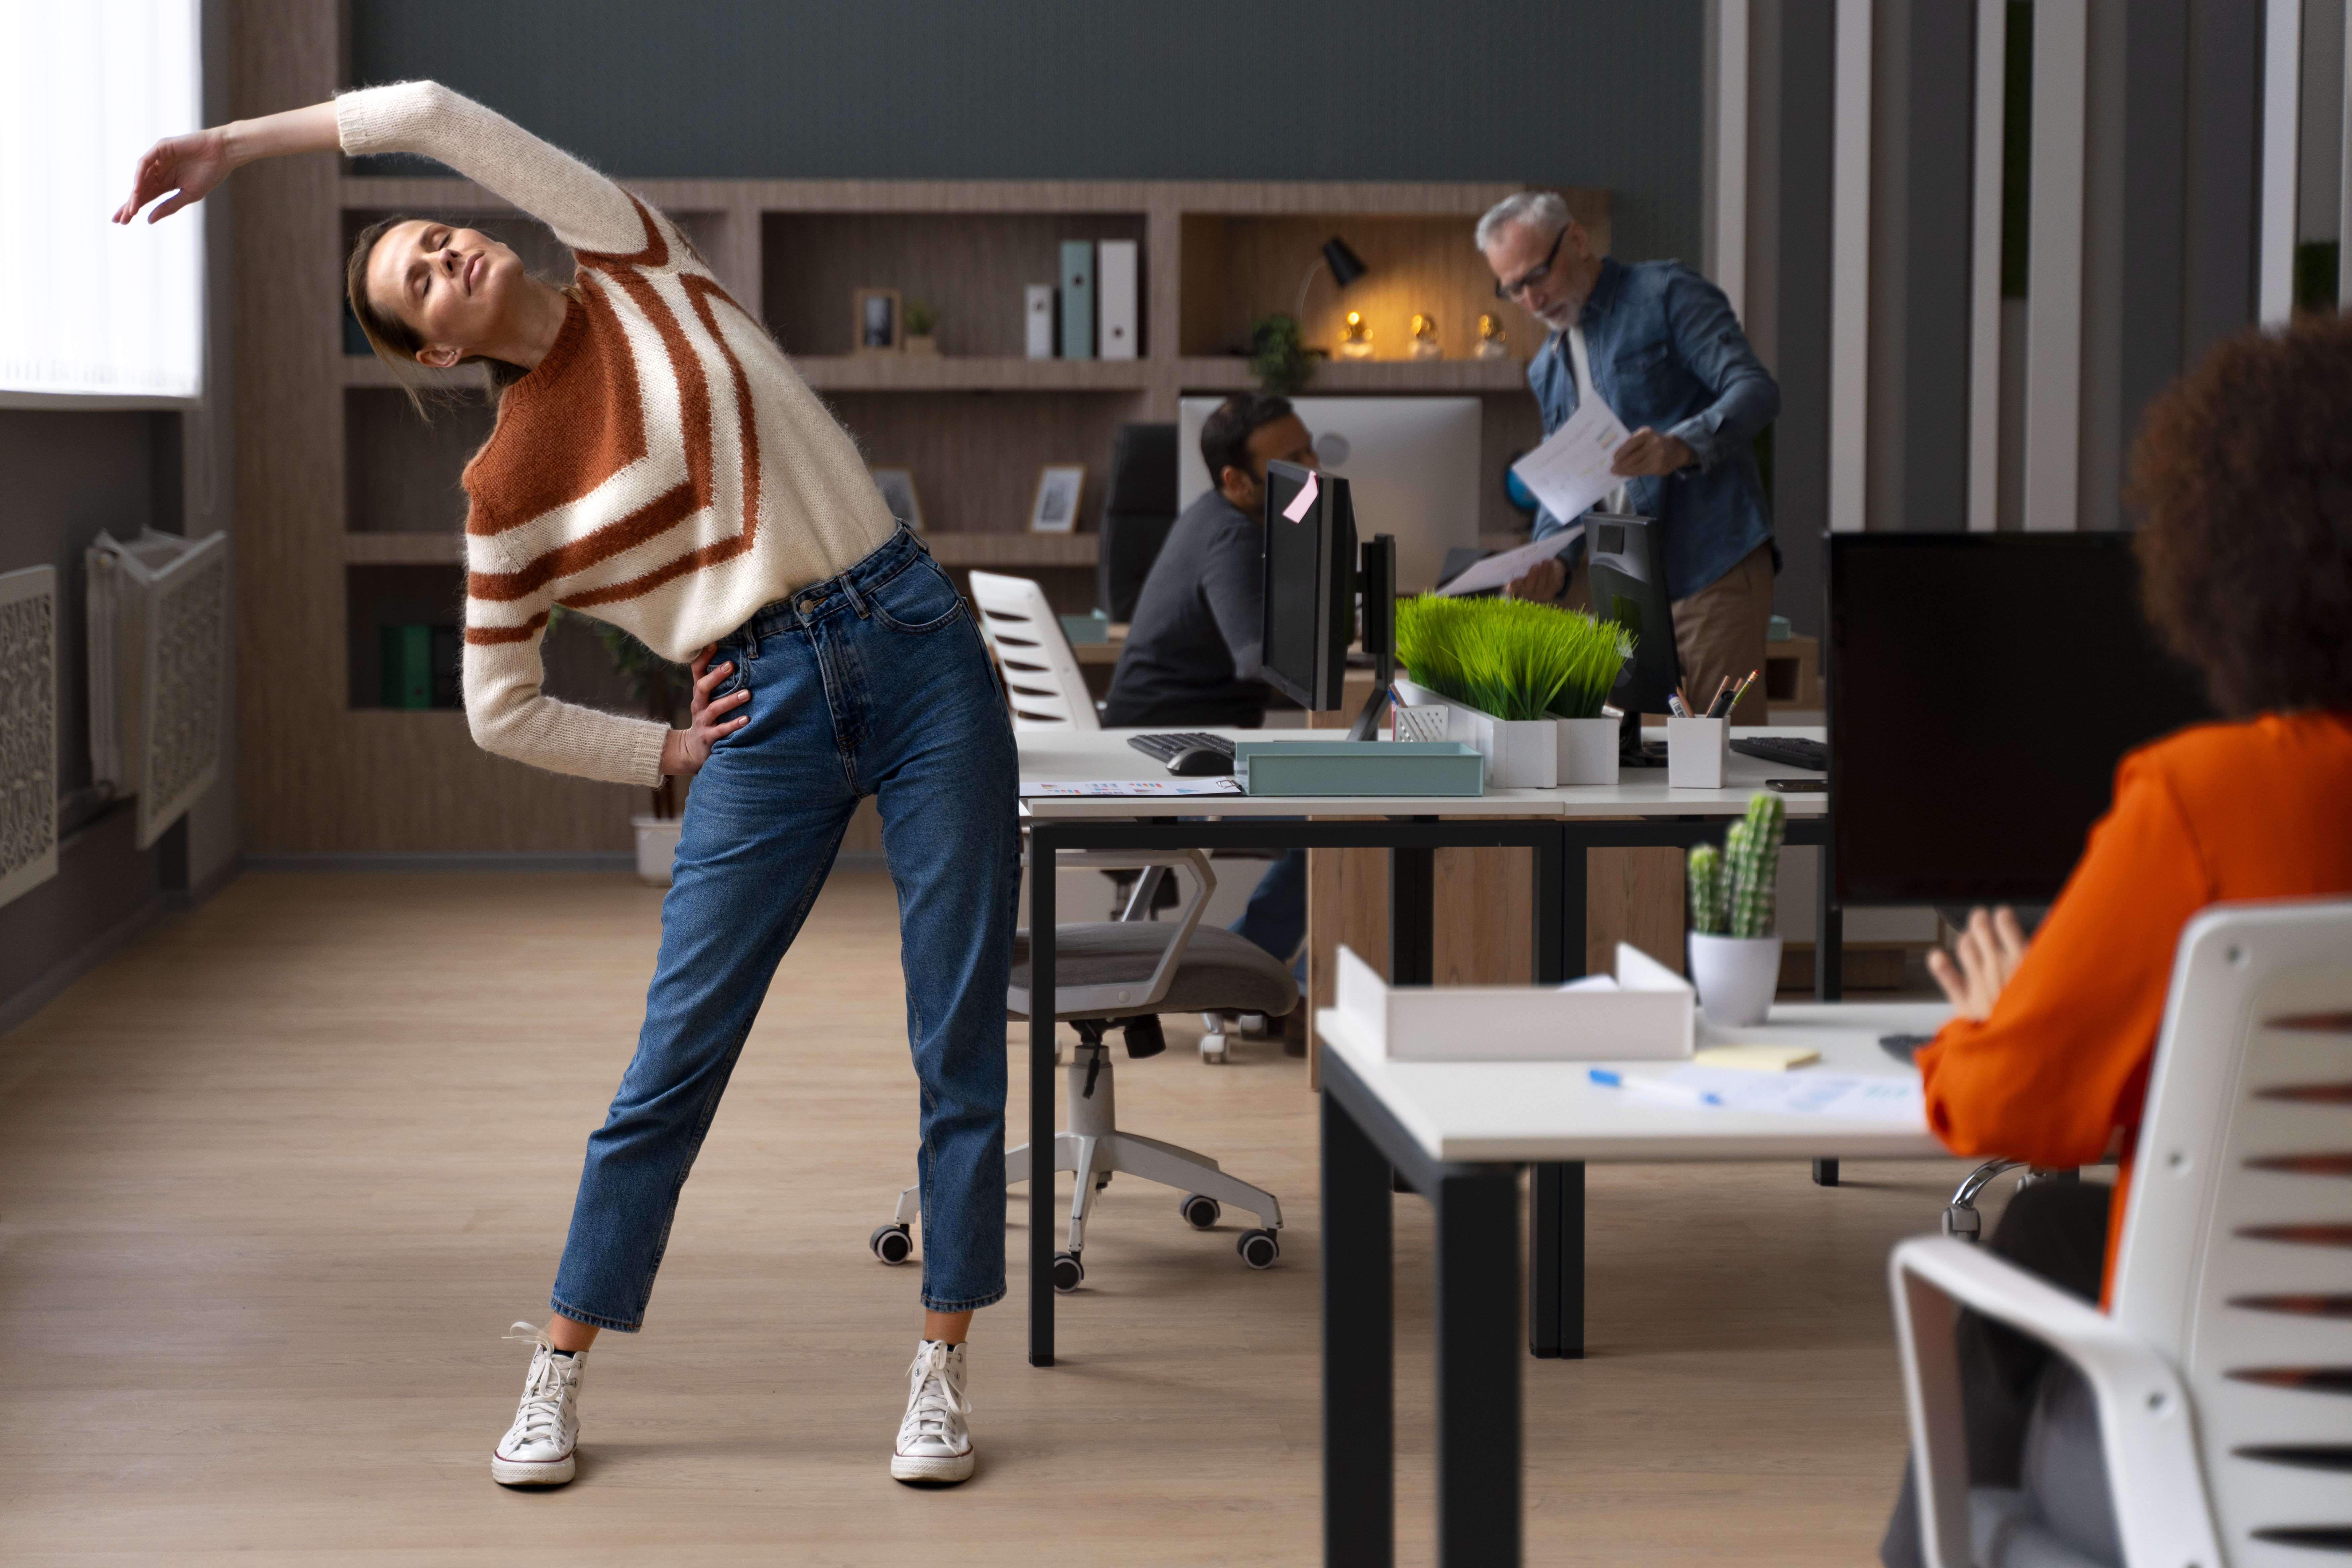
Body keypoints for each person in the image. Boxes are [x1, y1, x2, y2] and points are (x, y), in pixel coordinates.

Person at [118, 82, 1019, 1490]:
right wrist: (660, 751)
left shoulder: (632, 255)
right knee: (672, 1063)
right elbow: (499, 708)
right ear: (431, 342)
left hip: (918, 644)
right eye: (418, 274)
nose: (444, 252)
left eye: (436, 232)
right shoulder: (507, 483)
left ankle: (942, 1370)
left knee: (955, 1032)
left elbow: (426, 108)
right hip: (763, 708)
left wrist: (235, 147)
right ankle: (556, 1369)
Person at [1879, 312, 2352, 1567]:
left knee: (2000, 1316)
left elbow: (2013, 1112)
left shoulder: (2214, 799)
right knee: (2045, 1229)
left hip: (2264, 1454)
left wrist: (1993, 1019)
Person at [1476, 191, 1781, 722]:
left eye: (1536, 276)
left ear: (1577, 239)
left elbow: (1754, 390)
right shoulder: (1546, 369)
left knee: (1725, 760)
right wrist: (1553, 561)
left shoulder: (1666, 293)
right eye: (1513, 289)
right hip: (1625, 586)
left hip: (1712, 565)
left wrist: (1680, 445)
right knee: (1635, 768)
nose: (1530, 300)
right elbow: (1567, 488)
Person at [1101, 394, 1317, 992]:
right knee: (1339, 821)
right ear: (1237, 481)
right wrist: (1343, 669)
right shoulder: (1234, 539)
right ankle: (1246, 976)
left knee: (1341, 811)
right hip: (1180, 763)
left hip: (1154, 744)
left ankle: (1251, 971)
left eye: (1310, 448)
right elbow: (1254, 658)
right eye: (1293, 461)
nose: (1315, 470)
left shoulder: (1212, 515)